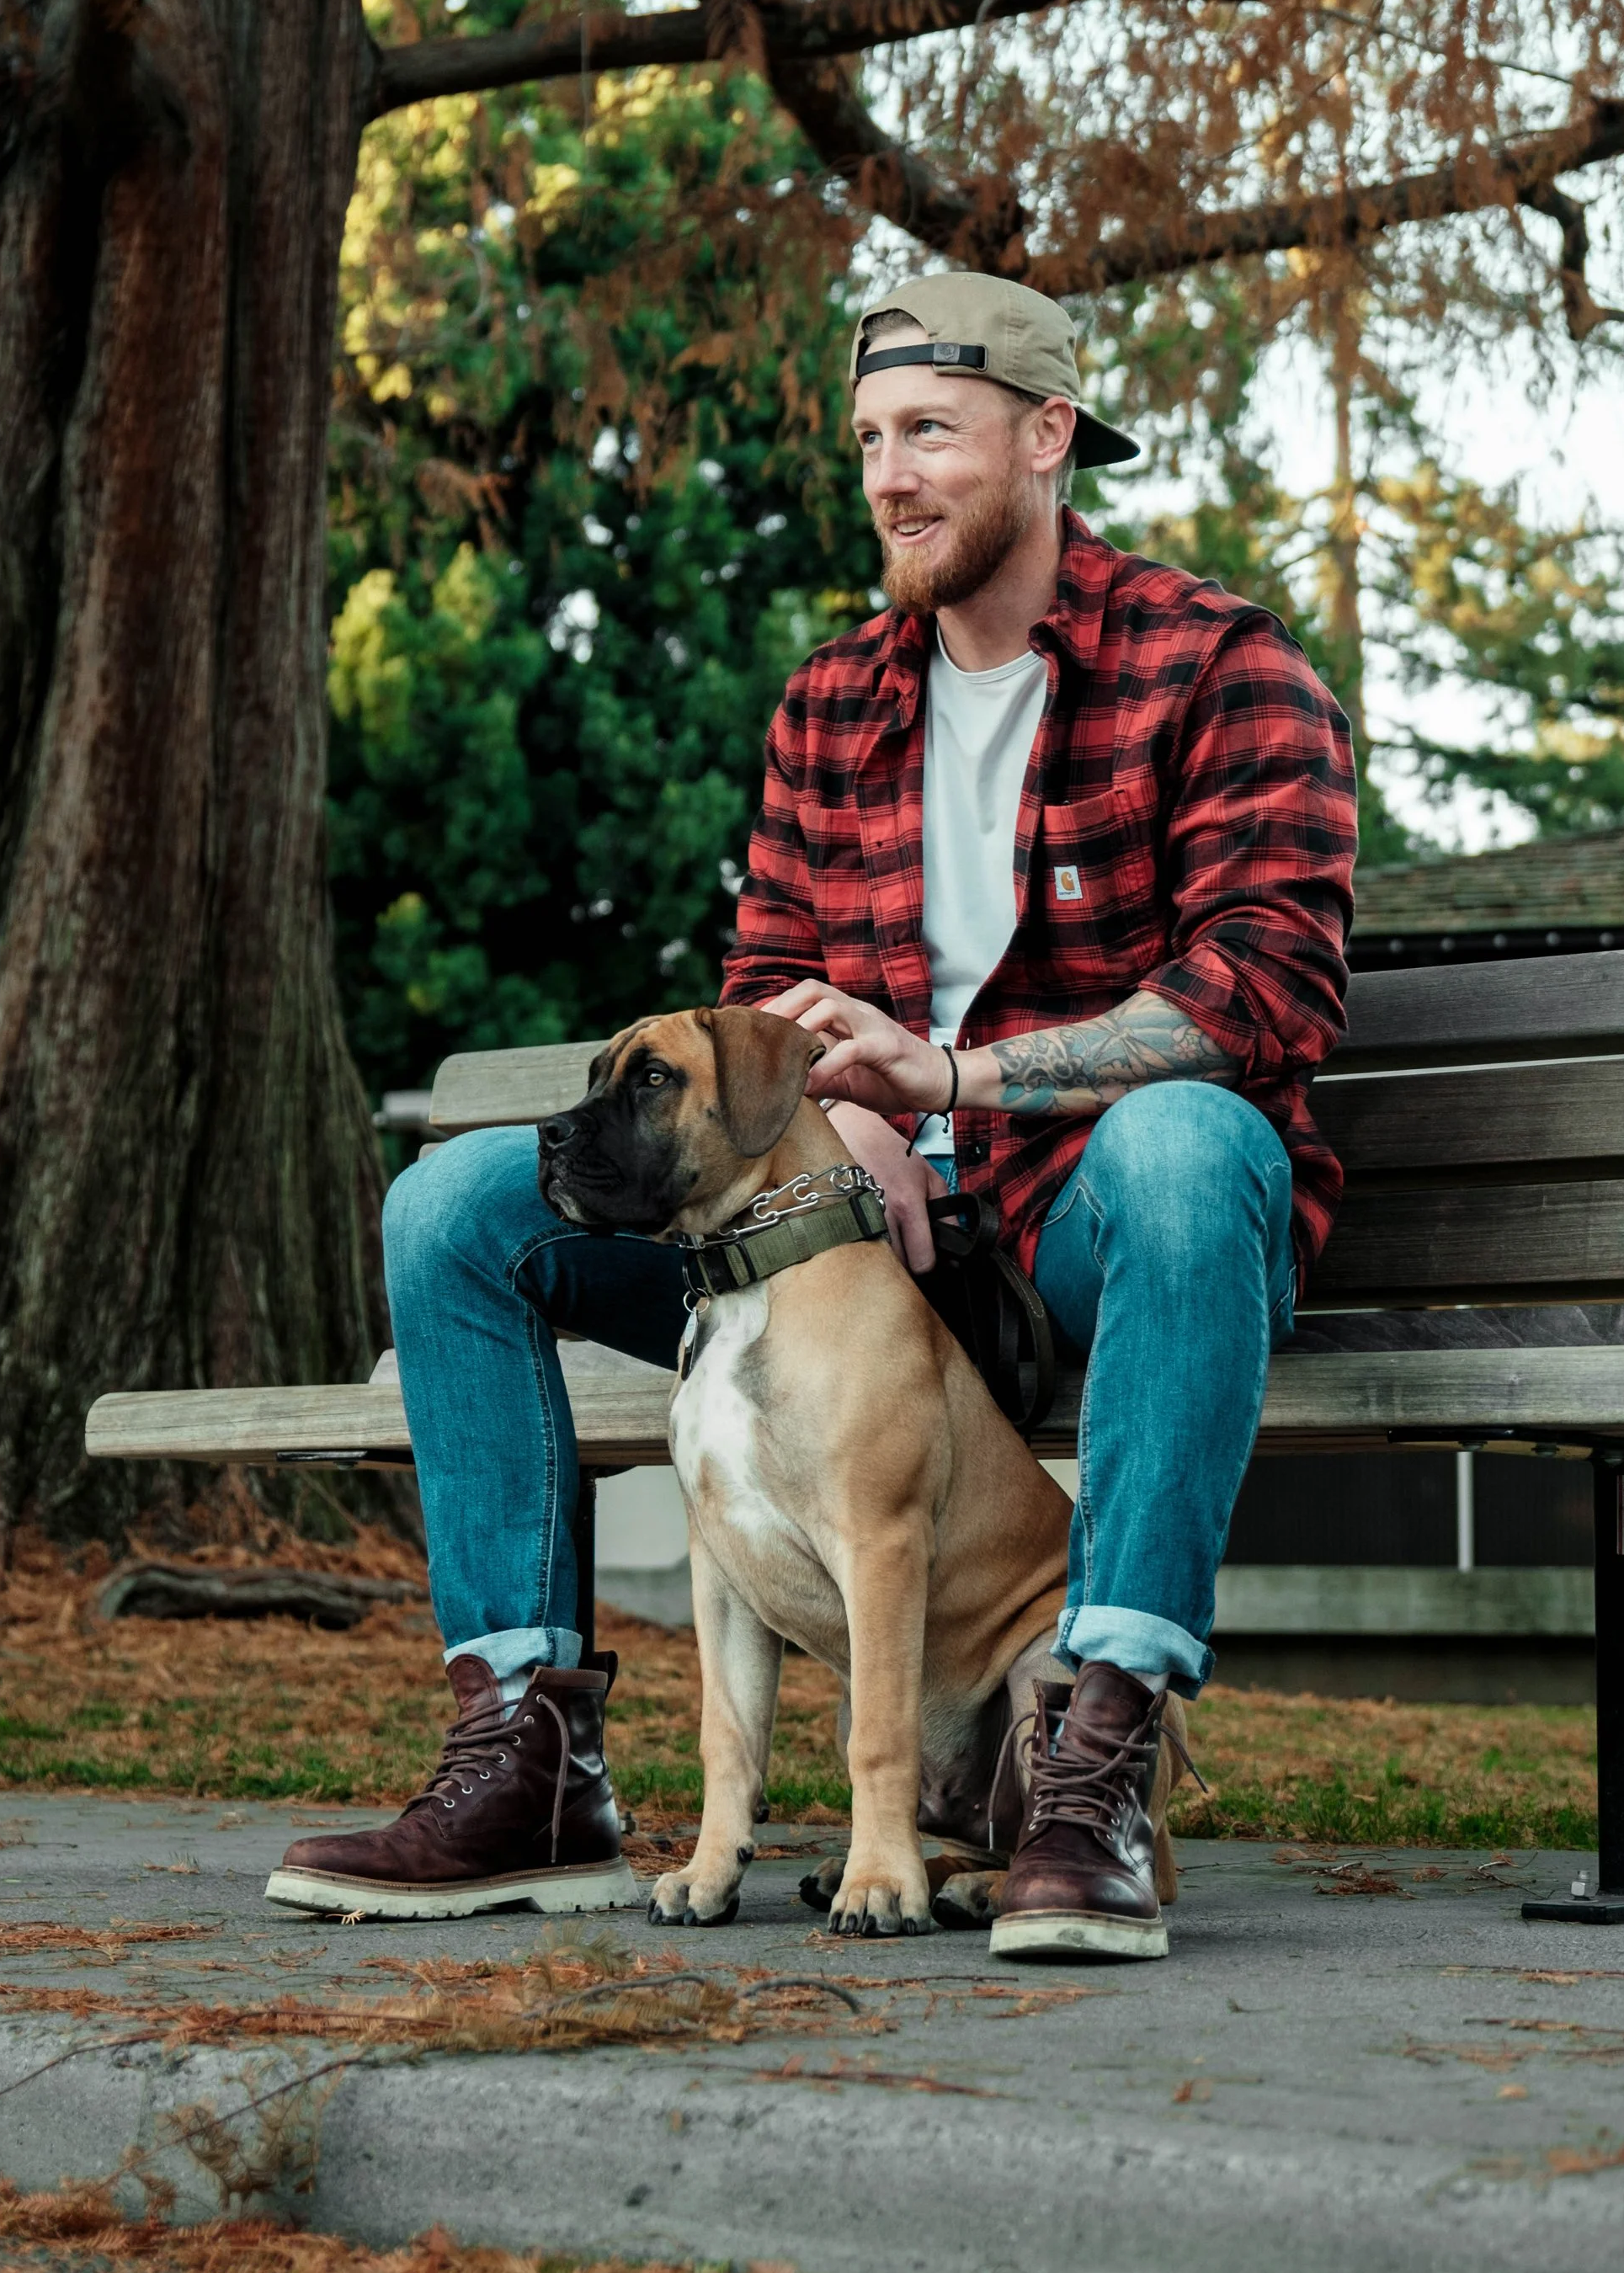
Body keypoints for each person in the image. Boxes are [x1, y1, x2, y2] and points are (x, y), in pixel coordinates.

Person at [271, 273, 1357, 1954]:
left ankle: (1089, 1758)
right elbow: (764, 995)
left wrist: (954, 1081)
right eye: (868, 442)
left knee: (1186, 1140)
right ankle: (528, 1749)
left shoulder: (1217, 667)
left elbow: (1264, 989)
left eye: (928, 431)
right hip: (838, 1252)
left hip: (1093, 1236)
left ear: (1047, 434)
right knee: (453, 1211)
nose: (890, 479)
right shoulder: (831, 706)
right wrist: (838, 1133)